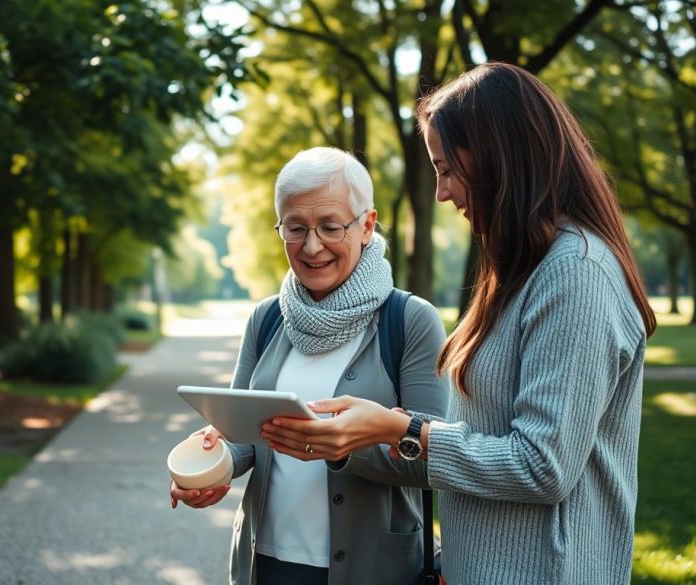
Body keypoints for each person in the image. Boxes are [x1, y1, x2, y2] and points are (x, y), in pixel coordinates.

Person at [261, 63, 657, 585]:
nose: (442, 192)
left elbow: (542, 465)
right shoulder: (526, 269)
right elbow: (485, 438)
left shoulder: (577, 273)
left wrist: (399, 427)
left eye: (446, 168)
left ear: (497, 156)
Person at [170, 146, 449, 585]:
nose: (311, 245)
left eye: (330, 226)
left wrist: (342, 445)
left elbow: (432, 460)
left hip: (372, 569)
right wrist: (213, 464)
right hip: (265, 564)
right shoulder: (267, 319)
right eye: (295, 228)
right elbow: (246, 437)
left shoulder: (410, 320)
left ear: (367, 225)